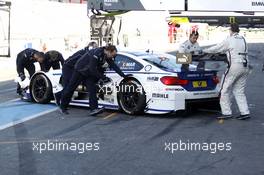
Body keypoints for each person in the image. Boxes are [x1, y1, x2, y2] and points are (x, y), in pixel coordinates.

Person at [59, 45, 128, 116]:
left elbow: (114, 65)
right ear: (108, 51)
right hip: (80, 70)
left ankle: (93, 109)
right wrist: (103, 77)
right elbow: (93, 69)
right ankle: (63, 107)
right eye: (112, 55)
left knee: (92, 89)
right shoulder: (97, 53)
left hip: (89, 72)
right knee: (71, 88)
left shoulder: (106, 55)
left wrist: (123, 76)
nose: (113, 57)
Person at [203, 23, 250, 120]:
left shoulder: (229, 39)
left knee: (224, 89)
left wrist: (205, 50)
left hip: (235, 66)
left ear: (231, 30)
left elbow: (217, 48)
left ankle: (226, 112)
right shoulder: (243, 39)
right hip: (245, 67)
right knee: (239, 91)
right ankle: (245, 112)